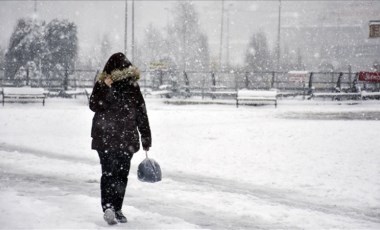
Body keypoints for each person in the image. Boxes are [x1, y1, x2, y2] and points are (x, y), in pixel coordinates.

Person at [89, 52, 151, 225]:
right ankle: (114, 208)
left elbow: (95, 105)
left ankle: (111, 206)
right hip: (121, 138)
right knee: (120, 175)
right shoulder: (115, 85)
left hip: (110, 137)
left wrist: (104, 88)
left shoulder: (124, 86)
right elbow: (141, 114)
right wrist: (145, 137)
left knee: (110, 173)